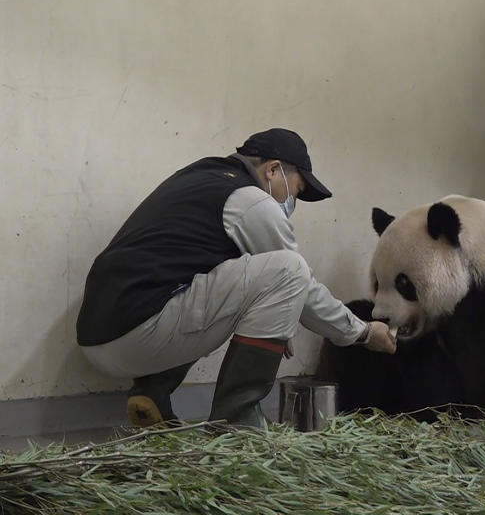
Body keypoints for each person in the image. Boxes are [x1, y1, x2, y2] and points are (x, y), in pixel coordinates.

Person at [76, 128, 397, 427]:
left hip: (98, 335)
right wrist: (364, 332)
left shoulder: (200, 177)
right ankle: (237, 424)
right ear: (273, 170)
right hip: (138, 335)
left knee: (222, 280)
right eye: (296, 190)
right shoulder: (249, 200)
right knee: (290, 270)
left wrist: (275, 318)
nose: (292, 202)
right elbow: (304, 288)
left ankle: (154, 389)